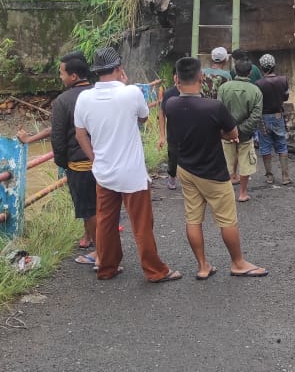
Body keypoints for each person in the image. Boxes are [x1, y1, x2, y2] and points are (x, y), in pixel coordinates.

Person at [74, 47, 182, 282]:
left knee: (106, 221)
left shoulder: (84, 98)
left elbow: (80, 134)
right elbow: (143, 117)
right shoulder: (131, 92)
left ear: (96, 71)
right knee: (141, 224)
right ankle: (155, 271)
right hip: (131, 172)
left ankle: (107, 267)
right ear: (118, 68)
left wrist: (94, 159)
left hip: (103, 171)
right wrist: (126, 85)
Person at [164, 57, 268, 279]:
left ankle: (203, 266)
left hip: (186, 168)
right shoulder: (213, 107)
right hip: (212, 171)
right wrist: (219, 133)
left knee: (193, 218)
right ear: (201, 78)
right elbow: (233, 134)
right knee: (227, 220)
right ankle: (238, 263)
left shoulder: (170, 104)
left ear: (176, 79)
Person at [17, 52, 96, 263]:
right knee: (100, 205)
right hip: (105, 161)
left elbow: (58, 137)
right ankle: (92, 239)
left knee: (88, 208)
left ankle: (102, 254)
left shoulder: (63, 101)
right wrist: (31, 139)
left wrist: (62, 162)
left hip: (80, 163)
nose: (60, 77)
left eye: (62, 73)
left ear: (73, 76)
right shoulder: (98, 93)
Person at [218, 59, 264, 201]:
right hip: (246, 134)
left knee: (225, 163)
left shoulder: (224, 88)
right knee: (245, 163)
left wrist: (229, 129)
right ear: (250, 72)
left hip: (226, 133)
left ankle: (225, 193)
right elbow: (256, 115)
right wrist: (241, 129)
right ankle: (243, 193)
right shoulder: (255, 91)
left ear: (234, 71)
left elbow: (218, 111)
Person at [255, 54, 292, 184]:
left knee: (265, 147)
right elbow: (286, 97)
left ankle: (269, 177)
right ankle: (285, 177)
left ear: (261, 67)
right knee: (282, 145)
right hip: (278, 116)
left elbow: (257, 101)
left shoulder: (258, 84)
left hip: (263, 118)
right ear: (274, 65)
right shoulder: (283, 80)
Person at [157, 76, 181, 191]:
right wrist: (162, 136)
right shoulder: (169, 93)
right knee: (173, 156)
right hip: (173, 132)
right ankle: (172, 177)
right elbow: (162, 113)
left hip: (190, 132)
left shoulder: (193, 92)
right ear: (174, 77)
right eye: (176, 75)